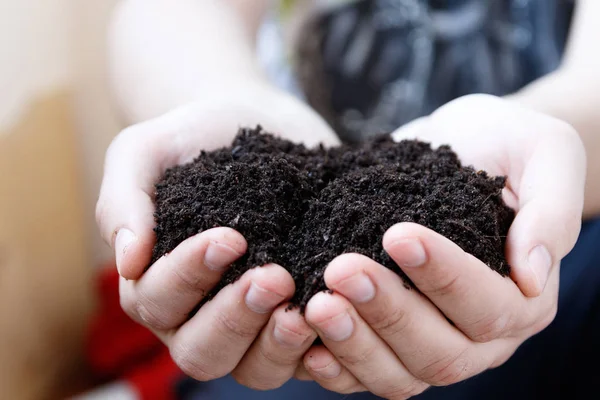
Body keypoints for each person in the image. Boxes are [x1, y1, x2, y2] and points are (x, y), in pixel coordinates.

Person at [96, 0, 600, 398]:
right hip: (291, 283)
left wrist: (560, 134)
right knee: (271, 355)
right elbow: (170, 10)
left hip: (564, 219)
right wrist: (209, 94)